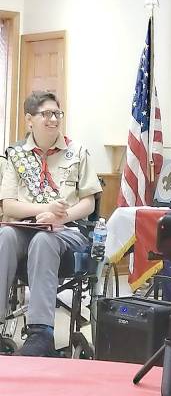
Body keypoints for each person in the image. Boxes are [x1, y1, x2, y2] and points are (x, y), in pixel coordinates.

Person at [0, 91, 102, 357]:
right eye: (46, 114)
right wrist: (45, 209)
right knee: (4, 237)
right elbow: (9, 206)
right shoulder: (15, 155)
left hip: (67, 231)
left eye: (57, 113)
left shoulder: (77, 152)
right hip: (24, 228)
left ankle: (41, 334)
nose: (53, 119)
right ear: (29, 120)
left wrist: (60, 217)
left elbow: (89, 203)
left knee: (44, 240)